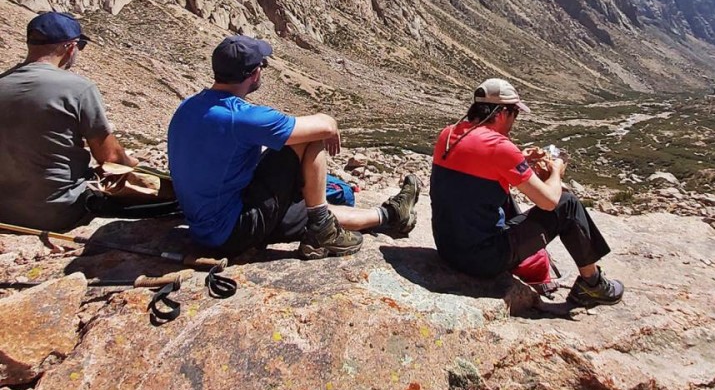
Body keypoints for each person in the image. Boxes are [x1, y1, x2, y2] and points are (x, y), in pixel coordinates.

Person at [167, 35, 419, 259]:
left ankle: (391, 215)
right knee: (309, 137)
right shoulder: (241, 116)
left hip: (206, 227)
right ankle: (322, 231)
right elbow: (324, 126)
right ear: (254, 74)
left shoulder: (189, 105)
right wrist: (328, 125)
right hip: (236, 230)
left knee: (311, 210)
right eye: (262, 66)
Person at [430, 78, 624, 307]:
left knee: (497, 191)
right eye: (515, 114)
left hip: (447, 249)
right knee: (568, 204)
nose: (515, 121)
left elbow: (480, 163)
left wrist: (520, 159)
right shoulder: (500, 147)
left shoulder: (449, 134)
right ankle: (592, 285)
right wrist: (556, 171)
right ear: (502, 113)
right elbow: (549, 202)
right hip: (481, 261)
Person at [0, 12, 139, 232]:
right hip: (59, 212)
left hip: (5, 212)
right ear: (70, 47)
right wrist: (135, 165)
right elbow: (110, 158)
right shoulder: (77, 89)